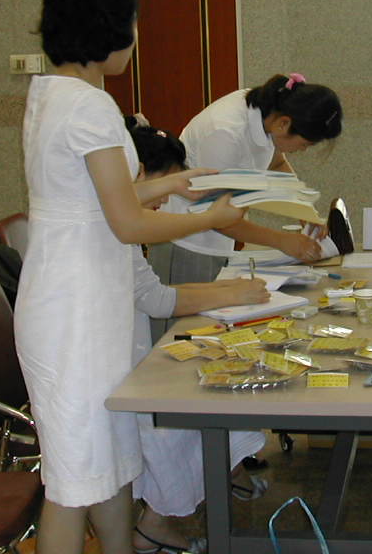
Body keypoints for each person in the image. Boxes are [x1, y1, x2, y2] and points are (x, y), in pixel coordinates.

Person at [13, 0, 245, 554]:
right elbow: (125, 222)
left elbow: (92, 202)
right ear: (109, 28)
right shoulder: (89, 106)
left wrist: (170, 184)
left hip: (78, 299)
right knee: (73, 481)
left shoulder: (52, 94)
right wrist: (210, 218)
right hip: (75, 316)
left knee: (111, 462)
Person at [124, 119, 270, 554]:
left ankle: (225, 476)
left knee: (220, 369)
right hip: (113, 366)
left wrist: (230, 291)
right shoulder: (116, 227)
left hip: (125, 349)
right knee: (193, 400)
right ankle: (154, 524)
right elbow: (157, 299)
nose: (165, 200)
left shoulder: (121, 225)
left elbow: (152, 292)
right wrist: (230, 292)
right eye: (162, 186)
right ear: (135, 174)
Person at [152, 74, 343, 283]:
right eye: (305, 144)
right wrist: (283, 241)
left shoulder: (270, 111)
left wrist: (305, 210)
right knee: (189, 303)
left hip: (218, 240)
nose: (303, 150)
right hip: (186, 243)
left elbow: (276, 163)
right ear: (283, 123)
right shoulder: (224, 134)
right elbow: (217, 217)